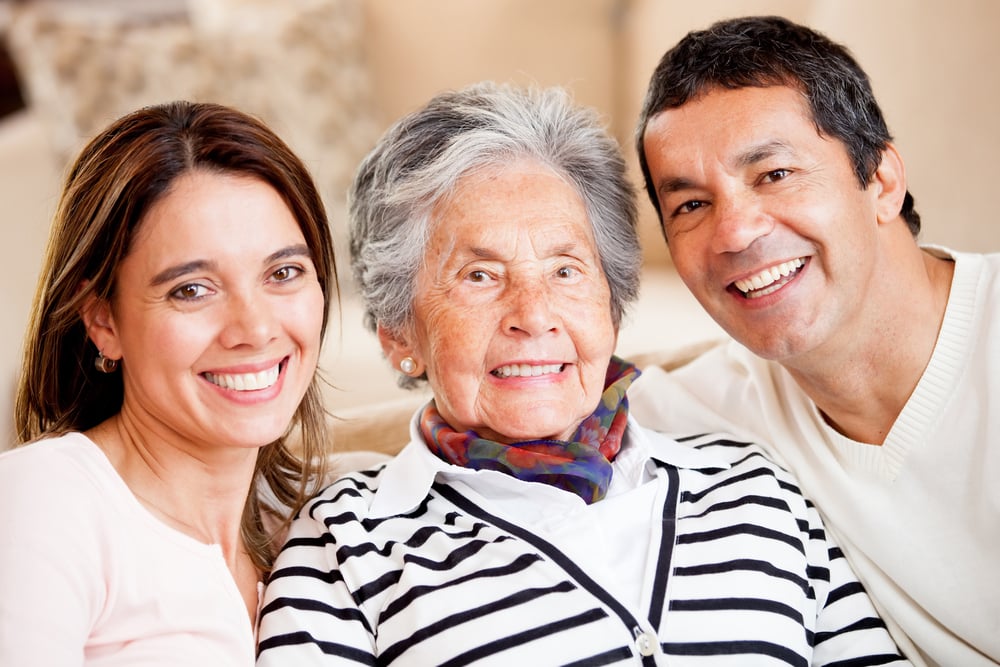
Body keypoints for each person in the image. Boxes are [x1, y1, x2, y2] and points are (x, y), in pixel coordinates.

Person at [256, 82, 909, 665]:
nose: (534, 315)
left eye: (566, 270)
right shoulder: (346, 544)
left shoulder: (756, 486)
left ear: (612, 305)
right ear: (399, 333)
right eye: (480, 275)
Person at [631, 15, 999, 667]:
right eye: (690, 205)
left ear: (882, 181)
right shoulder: (703, 410)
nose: (735, 232)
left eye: (774, 174)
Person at [0, 100, 337, 665]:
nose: (255, 329)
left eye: (284, 273)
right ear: (103, 321)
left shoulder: (320, 524)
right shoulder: (44, 502)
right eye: (192, 289)